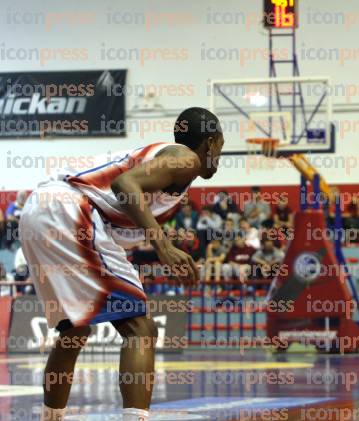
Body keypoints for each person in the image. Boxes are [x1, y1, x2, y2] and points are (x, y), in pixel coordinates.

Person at [19, 107, 224, 421]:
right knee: (141, 329)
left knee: (74, 330)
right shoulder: (187, 160)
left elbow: (122, 209)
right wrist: (164, 246)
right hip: (70, 209)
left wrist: (161, 246)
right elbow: (125, 186)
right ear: (211, 143)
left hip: (39, 211)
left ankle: (50, 417)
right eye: (220, 147)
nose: (219, 156)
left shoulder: (166, 162)